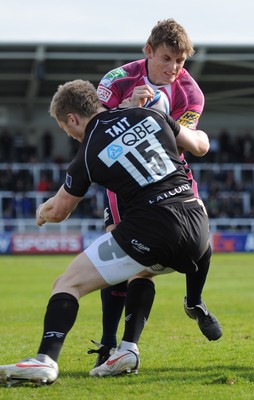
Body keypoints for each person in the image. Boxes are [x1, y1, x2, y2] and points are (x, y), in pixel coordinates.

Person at [0, 79, 212, 386]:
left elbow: (59, 211)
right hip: (197, 228)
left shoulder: (88, 151)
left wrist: (42, 212)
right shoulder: (151, 115)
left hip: (151, 230)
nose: (70, 135)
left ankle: (44, 360)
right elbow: (200, 145)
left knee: (67, 283)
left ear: (72, 118)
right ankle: (127, 349)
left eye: (65, 128)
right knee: (140, 273)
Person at [90, 18, 222, 372]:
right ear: (148, 51)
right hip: (125, 185)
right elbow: (95, 127)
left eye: (180, 61)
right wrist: (127, 110)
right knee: (125, 264)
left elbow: (188, 144)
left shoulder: (190, 93)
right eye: (167, 59)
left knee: (201, 240)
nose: (174, 69)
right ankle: (108, 344)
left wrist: (160, 118)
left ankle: (194, 302)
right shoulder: (117, 81)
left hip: (169, 180)